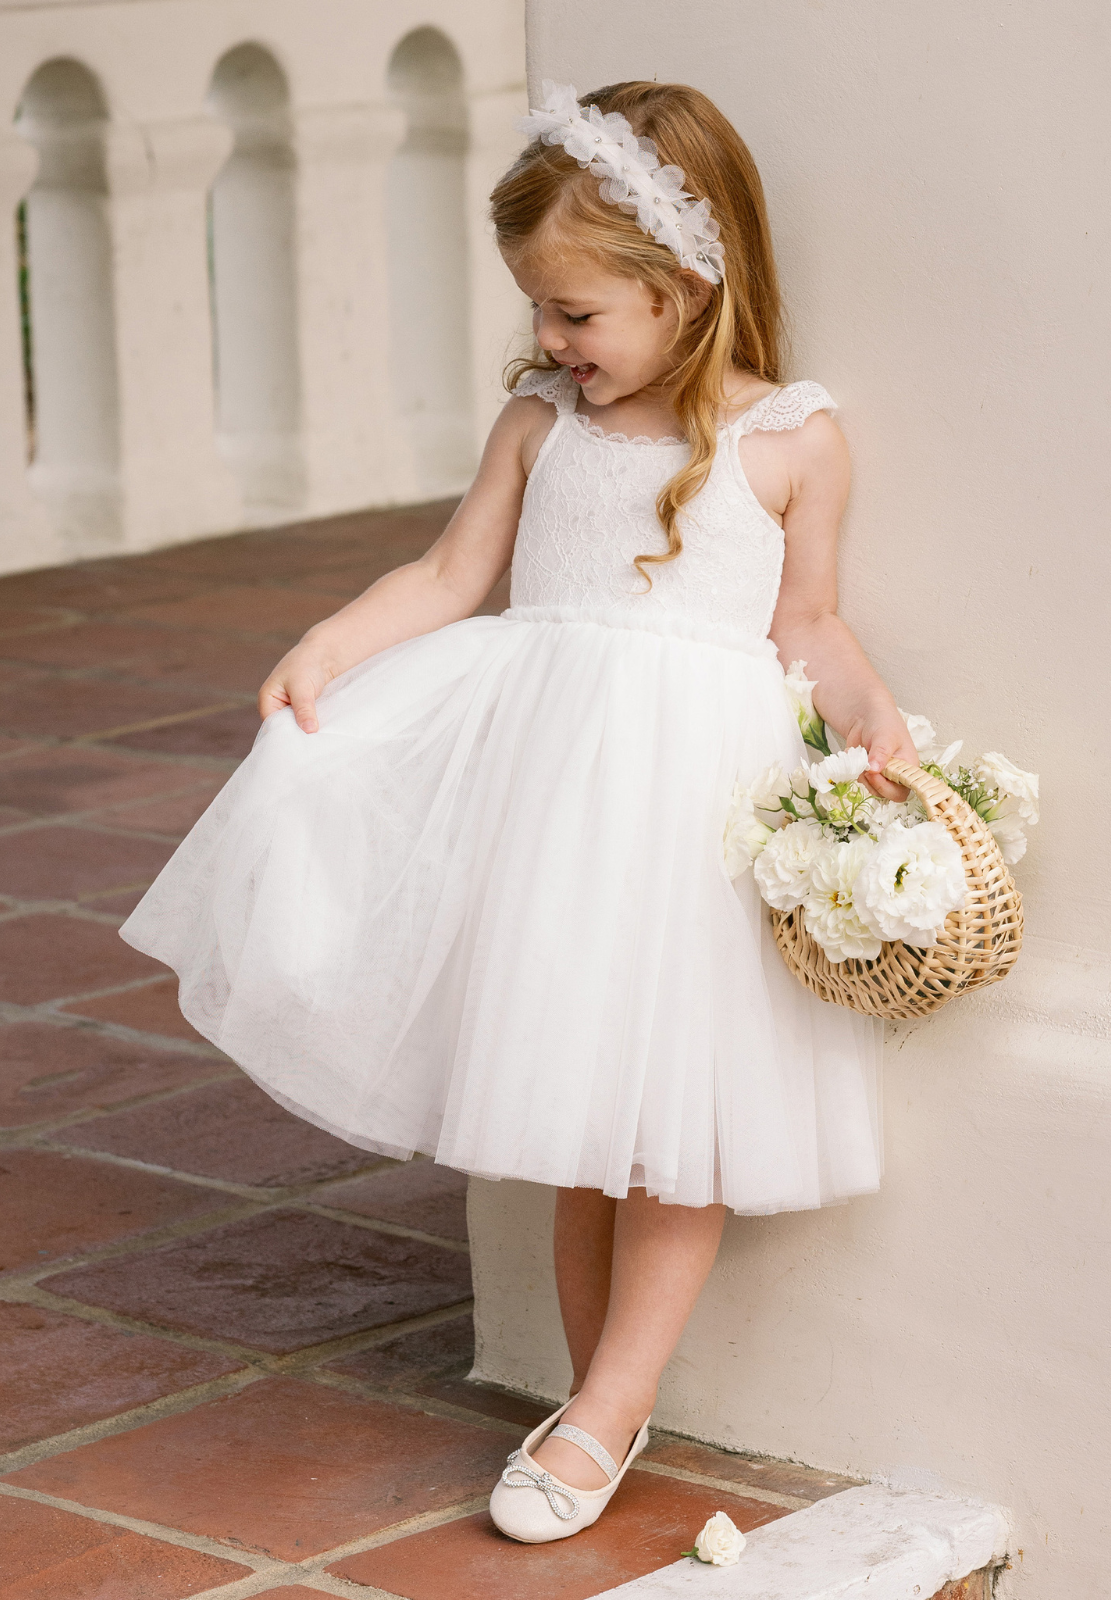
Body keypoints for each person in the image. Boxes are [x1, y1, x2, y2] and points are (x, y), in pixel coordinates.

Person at [121, 78, 918, 1545]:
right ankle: (582, 1389)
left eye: (576, 313)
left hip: (691, 819)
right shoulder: (539, 426)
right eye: (540, 313)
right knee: (572, 1112)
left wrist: (872, 722)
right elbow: (445, 578)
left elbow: (810, 626)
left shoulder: (788, 443)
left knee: (673, 1126)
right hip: (556, 806)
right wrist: (332, 645)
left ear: (684, 288)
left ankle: (611, 1402)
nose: (548, 341)